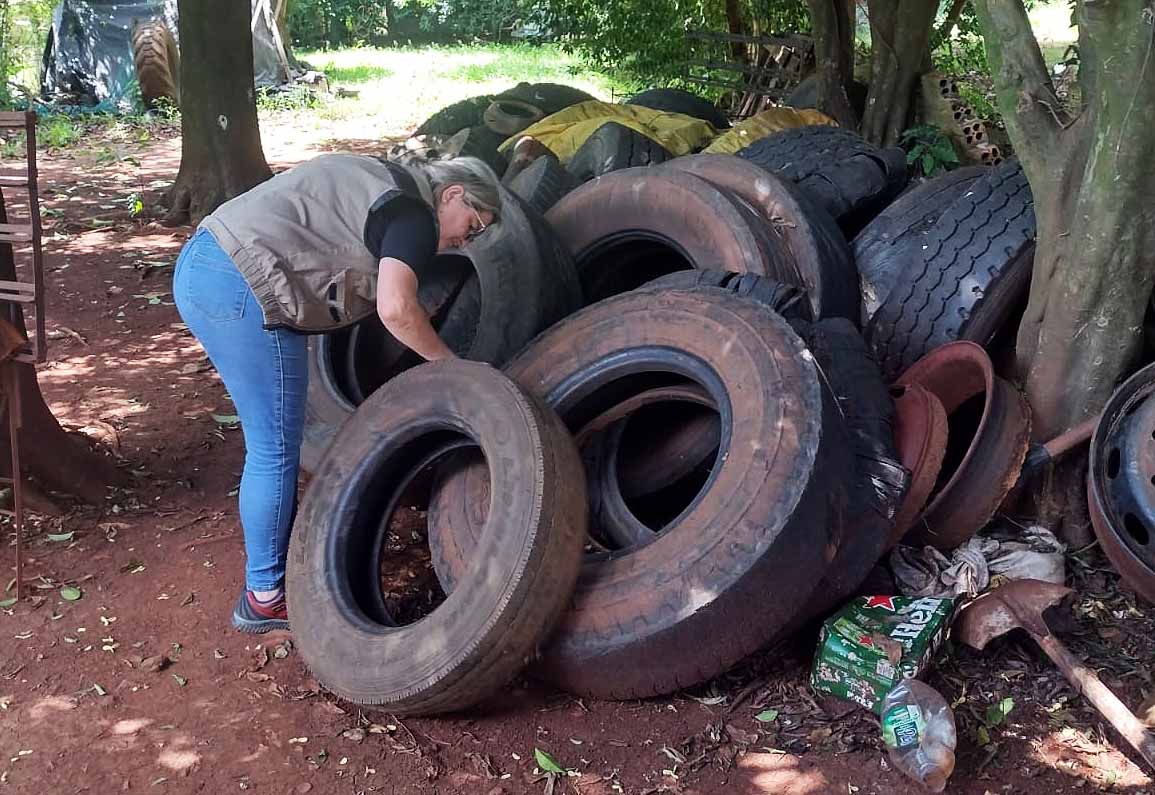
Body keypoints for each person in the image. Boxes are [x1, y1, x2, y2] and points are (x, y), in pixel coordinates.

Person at [172, 153, 502, 634]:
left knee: (275, 439)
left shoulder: (384, 181)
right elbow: (396, 310)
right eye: (471, 225)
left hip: (209, 262)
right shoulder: (413, 217)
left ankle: (267, 585)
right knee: (274, 447)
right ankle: (264, 598)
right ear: (452, 194)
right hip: (239, 284)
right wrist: (455, 369)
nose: (464, 240)